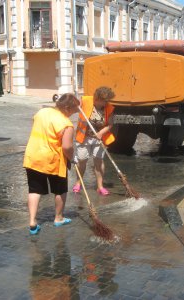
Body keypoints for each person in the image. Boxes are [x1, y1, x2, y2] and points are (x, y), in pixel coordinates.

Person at [23, 93, 79, 235]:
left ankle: (32, 222)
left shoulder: (42, 112)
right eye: (74, 110)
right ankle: (58, 218)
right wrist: (72, 158)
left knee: (34, 190)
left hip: (33, 156)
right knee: (60, 189)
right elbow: (66, 147)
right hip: (53, 159)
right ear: (66, 108)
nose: (74, 113)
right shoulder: (67, 125)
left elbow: (35, 122)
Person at [73, 86, 116, 196]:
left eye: (107, 101)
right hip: (84, 137)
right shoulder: (85, 101)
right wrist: (76, 106)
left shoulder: (109, 108)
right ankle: (78, 183)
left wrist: (101, 133)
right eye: (104, 101)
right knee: (82, 160)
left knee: (99, 161)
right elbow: (74, 106)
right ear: (97, 98)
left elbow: (110, 124)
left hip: (98, 139)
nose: (106, 103)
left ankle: (100, 186)